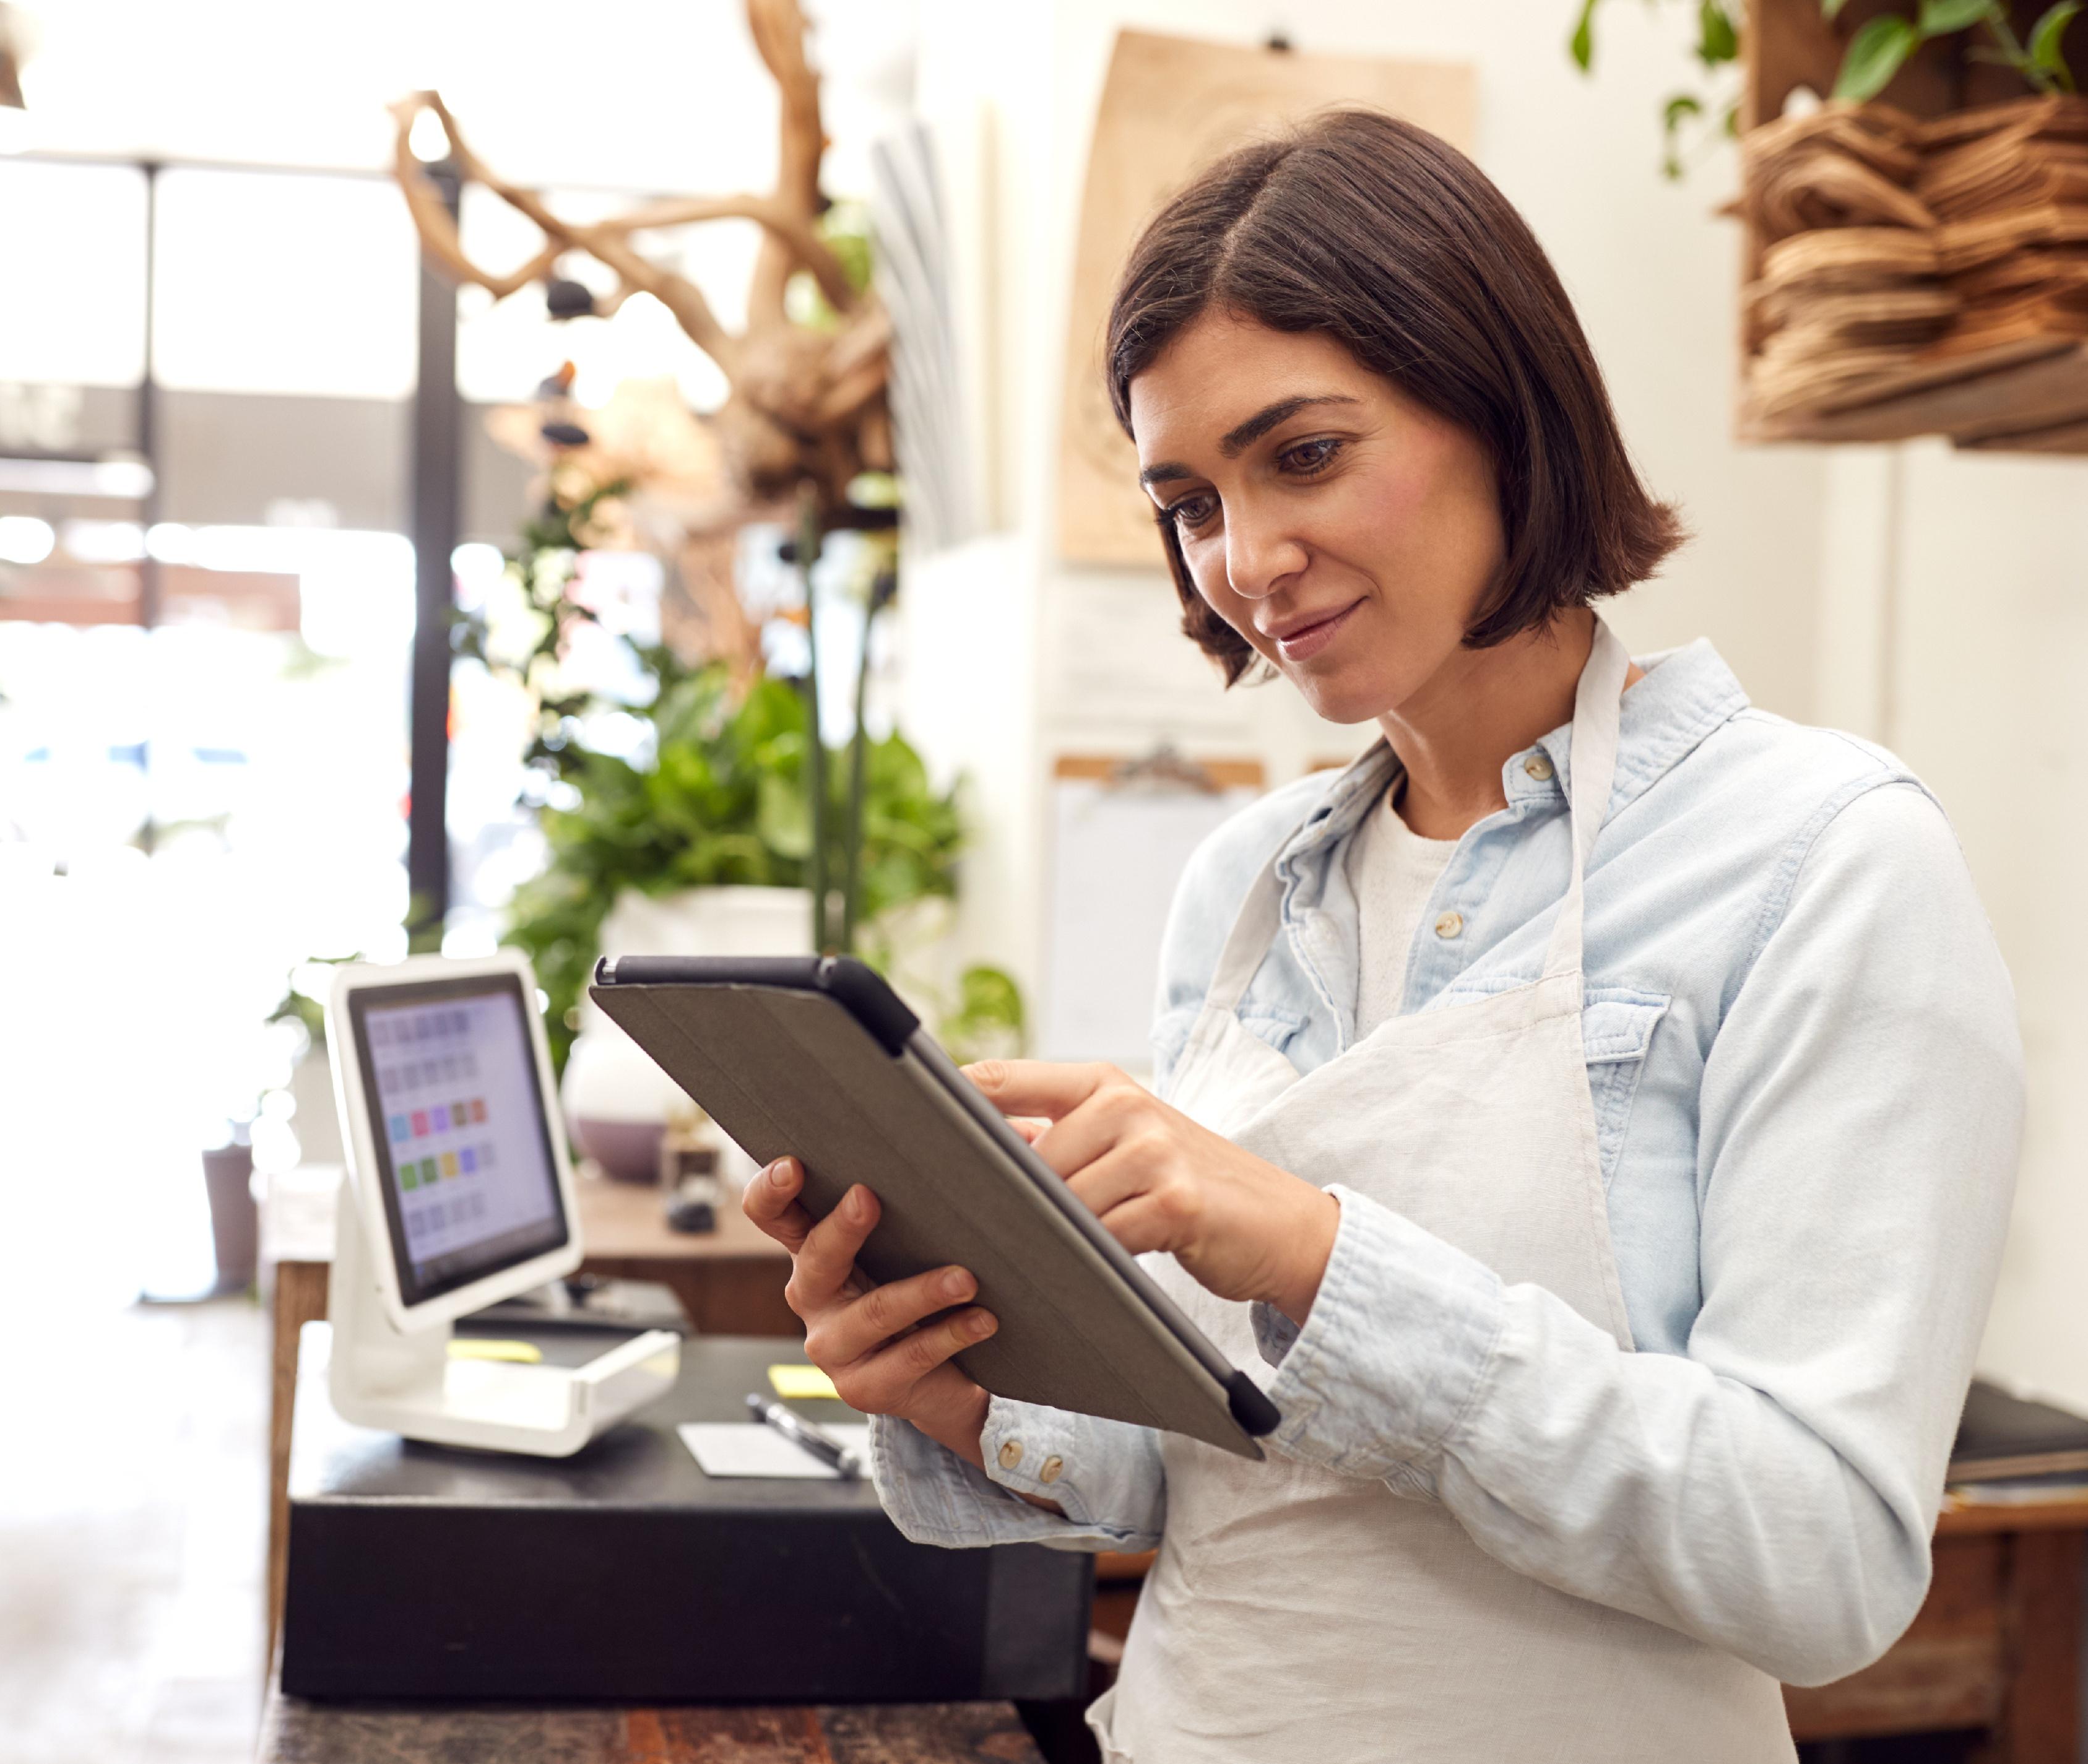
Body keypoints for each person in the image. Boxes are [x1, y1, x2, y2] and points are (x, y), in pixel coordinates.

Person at [740, 110, 2024, 1762]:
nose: (1247, 562)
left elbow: (1824, 1562)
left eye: (1306, 454)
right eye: (1191, 498)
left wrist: (1318, 1253)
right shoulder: (1248, 888)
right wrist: (961, 1391)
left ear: (1502, 405)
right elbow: (1217, 1461)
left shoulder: (1824, 861)